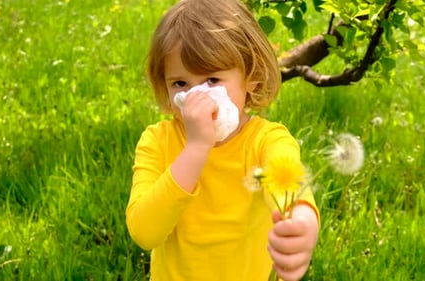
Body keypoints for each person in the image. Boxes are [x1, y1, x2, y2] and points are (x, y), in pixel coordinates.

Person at [125, 0, 320, 280]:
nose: (197, 97)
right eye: (180, 83)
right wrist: (196, 148)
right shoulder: (156, 141)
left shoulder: (266, 141)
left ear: (250, 78)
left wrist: (302, 221)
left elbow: (286, 180)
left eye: (213, 80)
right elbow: (145, 232)